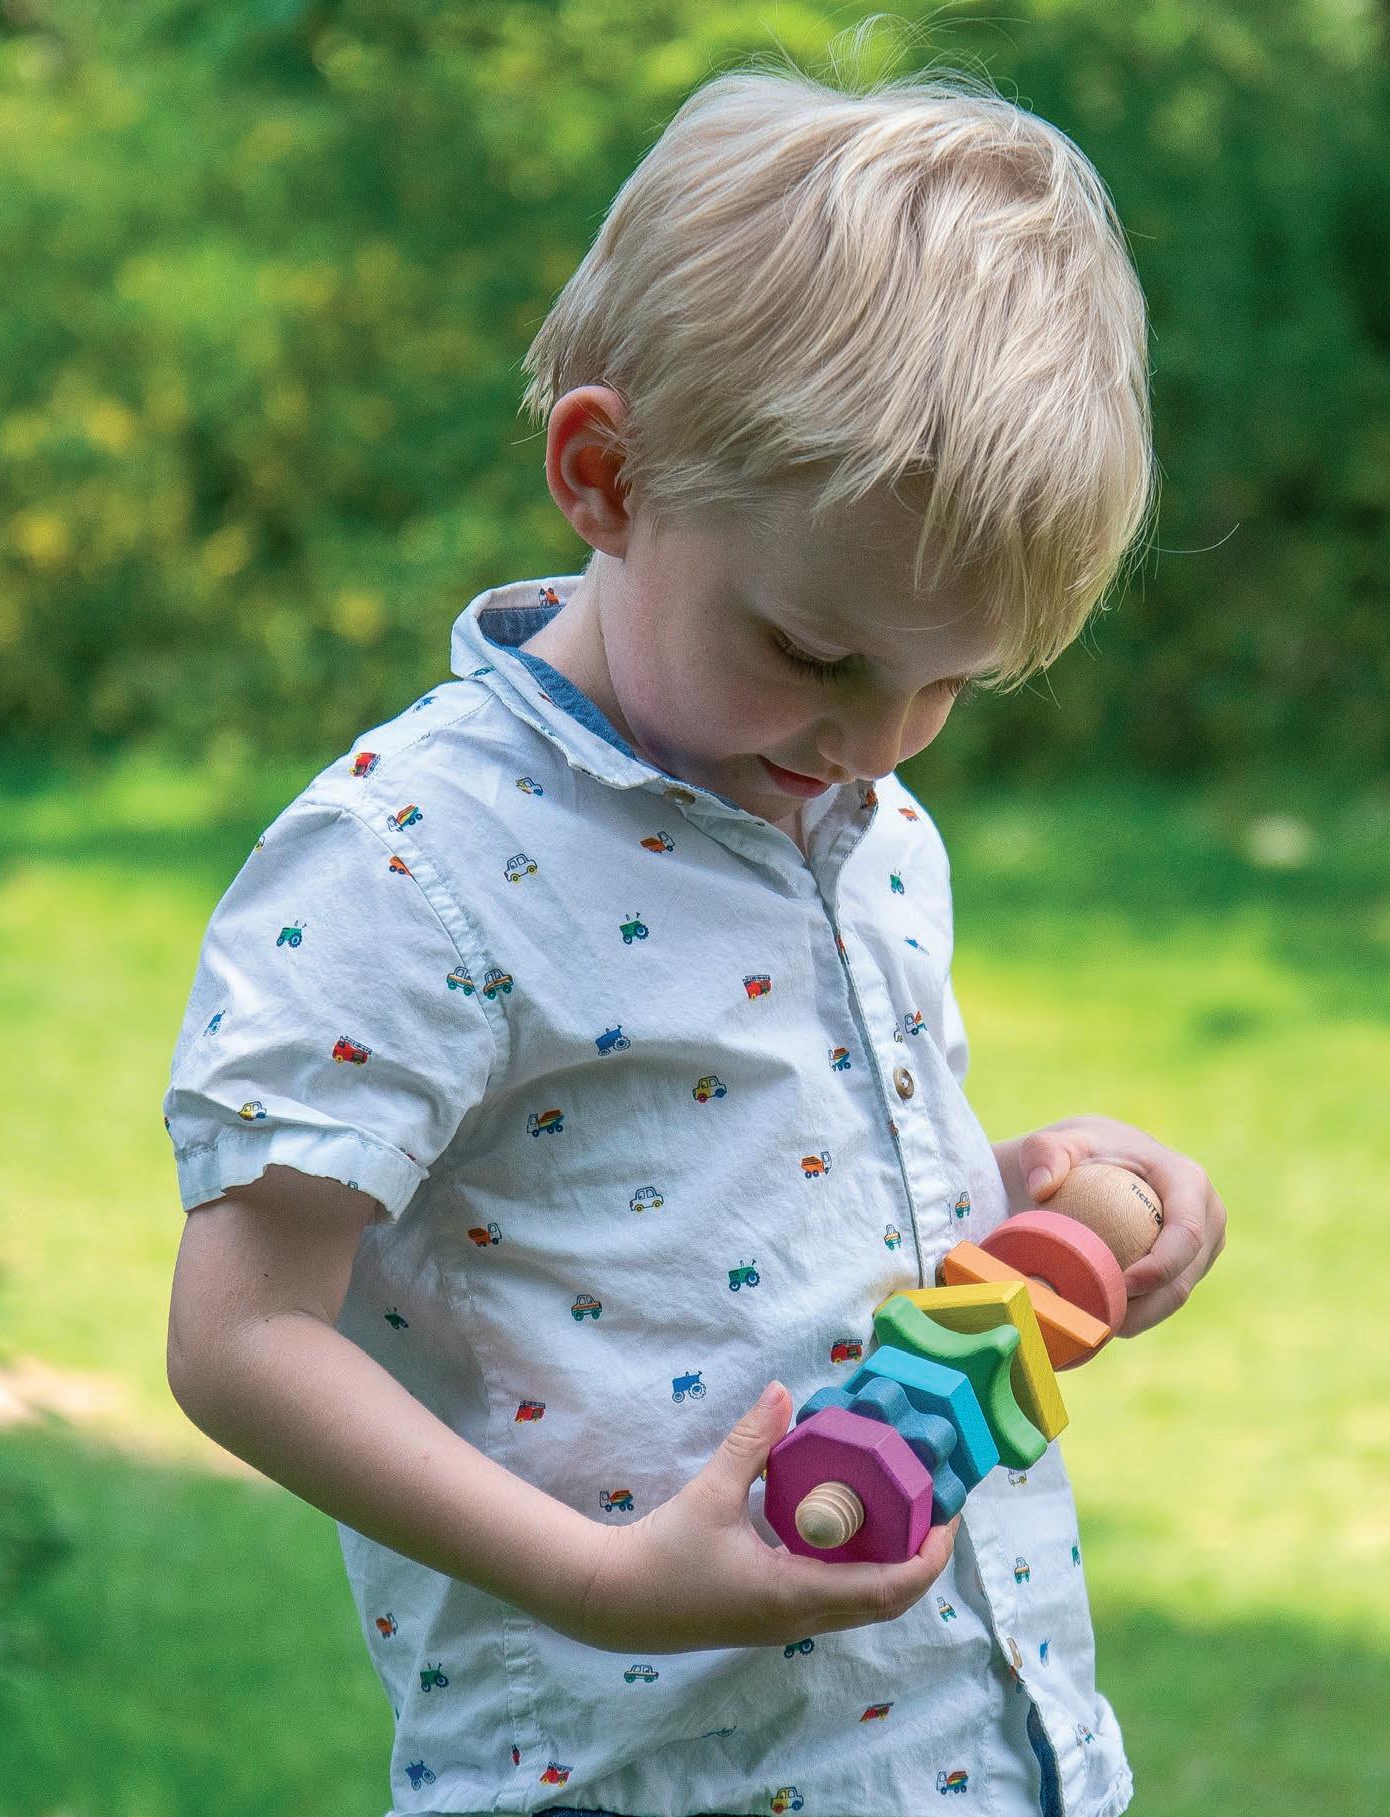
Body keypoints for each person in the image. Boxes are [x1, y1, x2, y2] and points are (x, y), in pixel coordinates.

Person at [161, 50, 1226, 1817]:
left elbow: (768, 1209)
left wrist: (1027, 1202)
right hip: (639, 1773)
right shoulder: (414, 864)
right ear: (605, 475)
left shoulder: (859, 823)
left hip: (978, 1753)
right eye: (817, 653)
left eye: (947, 683)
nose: (877, 738)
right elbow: (239, 1336)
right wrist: (600, 1578)